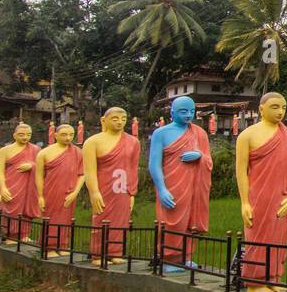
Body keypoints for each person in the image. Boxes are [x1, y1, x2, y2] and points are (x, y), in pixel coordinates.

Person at [236, 92, 287, 292]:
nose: (280, 111)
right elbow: (241, 171)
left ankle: (273, 278)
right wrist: (245, 202)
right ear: (261, 109)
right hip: (259, 196)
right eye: (274, 107)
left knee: (279, 237)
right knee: (257, 236)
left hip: (282, 196)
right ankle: (255, 282)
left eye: (283, 107)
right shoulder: (247, 135)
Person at [149, 95, 213, 266]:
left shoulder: (199, 134)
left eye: (192, 111)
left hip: (193, 184)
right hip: (171, 185)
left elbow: (208, 160)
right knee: (170, 221)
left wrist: (200, 156)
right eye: (183, 111)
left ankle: (186, 257)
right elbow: (154, 165)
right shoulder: (161, 133)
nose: (188, 115)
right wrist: (161, 189)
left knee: (189, 221)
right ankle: (168, 258)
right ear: (172, 112)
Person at [83, 107, 140, 263]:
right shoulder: (93, 142)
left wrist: (132, 192)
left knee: (121, 220)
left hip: (123, 189)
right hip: (103, 187)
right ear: (104, 120)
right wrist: (94, 192)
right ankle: (97, 254)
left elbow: (133, 168)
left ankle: (115, 252)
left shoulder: (133, 142)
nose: (119, 122)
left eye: (123, 119)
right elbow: (89, 171)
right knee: (100, 218)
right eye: (115, 119)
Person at [35, 124, 84, 256]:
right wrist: (40, 196)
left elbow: (82, 174)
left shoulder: (78, 152)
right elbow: (39, 176)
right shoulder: (44, 153)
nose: (68, 138)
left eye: (71, 135)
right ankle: (49, 246)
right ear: (55, 135)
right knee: (50, 218)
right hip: (51, 190)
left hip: (69, 191)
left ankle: (62, 244)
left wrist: (75, 192)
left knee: (66, 218)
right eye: (64, 135)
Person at [0, 123, 39, 240]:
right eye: (21, 135)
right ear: (14, 135)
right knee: (10, 209)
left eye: (28, 135)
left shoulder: (35, 149)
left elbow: (42, 167)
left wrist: (32, 166)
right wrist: (3, 188)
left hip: (29, 186)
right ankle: (10, 235)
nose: (25, 137)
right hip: (11, 183)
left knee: (25, 209)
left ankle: (24, 234)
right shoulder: (5, 150)